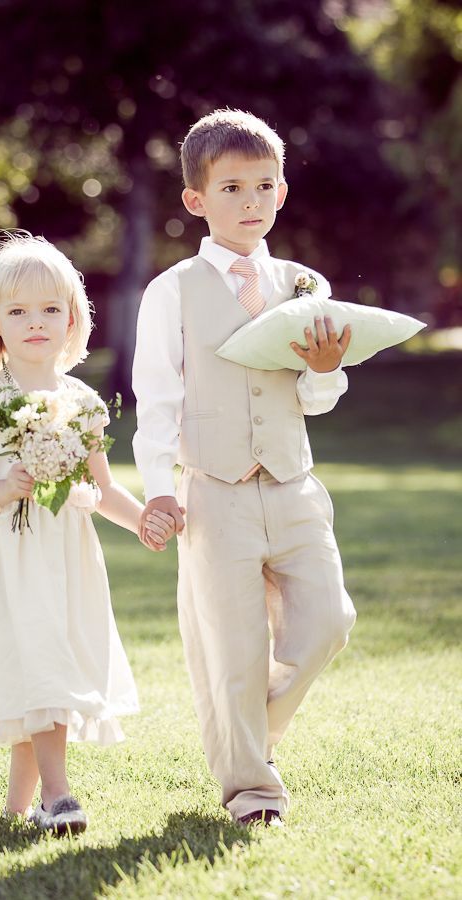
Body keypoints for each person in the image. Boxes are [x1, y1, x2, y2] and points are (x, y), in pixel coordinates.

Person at [132, 109, 357, 826]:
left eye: (264, 185)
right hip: (214, 496)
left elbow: (318, 399)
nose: (250, 201)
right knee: (233, 651)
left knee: (329, 622)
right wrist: (160, 494)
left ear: (283, 192)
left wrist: (325, 370)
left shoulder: (304, 286)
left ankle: (252, 732)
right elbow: (157, 402)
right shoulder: (172, 292)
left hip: (294, 485)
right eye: (231, 188)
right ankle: (252, 794)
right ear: (197, 200)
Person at [0, 231, 174, 834]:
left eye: (50, 309)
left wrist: (144, 519)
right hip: (10, 556)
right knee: (40, 664)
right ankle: (59, 795)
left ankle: (17, 809)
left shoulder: (80, 400)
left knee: (47, 668)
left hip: (67, 557)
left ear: (72, 317)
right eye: (17, 311)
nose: (35, 322)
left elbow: (101, 490)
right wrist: (8, 488)